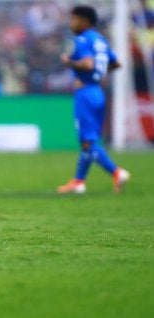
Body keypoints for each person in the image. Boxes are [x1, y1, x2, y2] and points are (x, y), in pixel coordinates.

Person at [57, 5, 130, 194]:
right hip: (98, 93)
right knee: (90, 141)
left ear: (84, 21)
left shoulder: (82, 39)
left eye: (73, 19)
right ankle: (79, 182)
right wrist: (100, 73)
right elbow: (116, 63)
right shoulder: (101, 40)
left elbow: (88, 64)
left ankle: (116, 172)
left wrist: (69, 62)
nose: (71, 23)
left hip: (85, 94)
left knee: (88, 143)